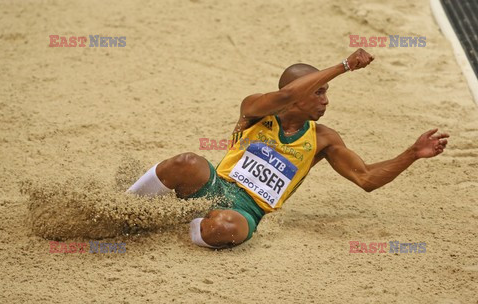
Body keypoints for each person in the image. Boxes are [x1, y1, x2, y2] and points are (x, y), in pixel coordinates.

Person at [126, 48, 449, 249]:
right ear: (297, 94)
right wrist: (343, 67)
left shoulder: (323, 138)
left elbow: (366, 178)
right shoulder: (254, 110)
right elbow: (282, 98)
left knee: (224, 229)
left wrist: (411, 154)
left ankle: (190, 224)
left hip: (248, 209)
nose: (326, 100)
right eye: (318, 92)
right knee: (187, 161)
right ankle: (122, 208)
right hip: (215, 185)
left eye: (326, 93)